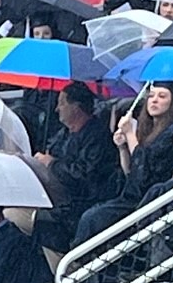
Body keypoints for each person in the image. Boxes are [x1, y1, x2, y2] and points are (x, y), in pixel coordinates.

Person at [73, 82, 173, 245]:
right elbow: (130, 171)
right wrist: (122, 148)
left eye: (162, 96)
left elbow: (143, 176)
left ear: (172, 103)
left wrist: (130, 135)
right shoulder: (148, 130)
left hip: (145, 202)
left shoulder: (171, 134)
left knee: (93, 218)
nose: (154, 100)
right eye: (151, 96)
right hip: (129, 197)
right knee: (90, 215)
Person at [32, 83, 120, 252]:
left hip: (82, 201)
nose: (57, 109)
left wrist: (52, 164)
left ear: (77, 107)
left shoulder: (96, 136)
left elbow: (83, 176)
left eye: (62, 103)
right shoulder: (64, 134)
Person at [11, 16, 64, 151]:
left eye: (46, 34)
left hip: (52, 117)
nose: (41, 38)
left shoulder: (60, 61)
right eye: (37, 34)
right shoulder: (30, 63)